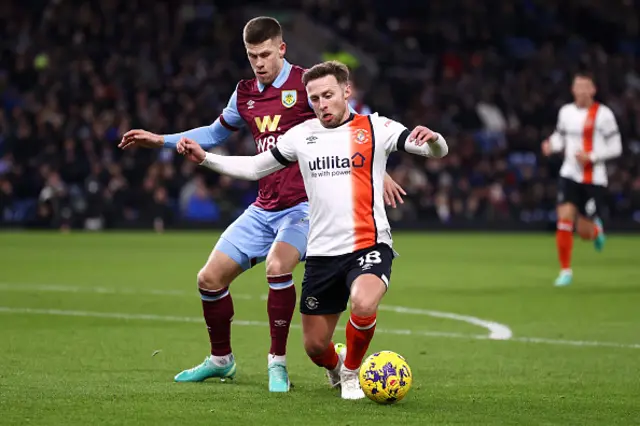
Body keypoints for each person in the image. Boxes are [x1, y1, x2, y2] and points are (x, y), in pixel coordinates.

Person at [117, 17, 406, 392]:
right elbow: (213, 133)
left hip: (303, 208)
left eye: (265, 54)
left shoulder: (307, 85)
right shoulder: (244, 94)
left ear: (281, 49)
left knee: (277, 266)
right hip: (263, 206)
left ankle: (278, 364)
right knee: (208, 278)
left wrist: (376, 170)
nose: (259, 62)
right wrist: (162, 140)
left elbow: (355, 123)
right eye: (252, 55)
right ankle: (222, 361)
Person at [177, 60, 448, 399]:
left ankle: (351, 372)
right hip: (322, 254)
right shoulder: (302, 137)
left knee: (363, 303)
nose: (322, 104)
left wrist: (434, 140)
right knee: (316, 347)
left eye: (329, 95)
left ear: (346, 92)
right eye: (315, 98)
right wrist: (206, 158)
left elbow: (431, 150)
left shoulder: (375, 127)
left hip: (368, 245)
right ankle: (335, 366)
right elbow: (253, 167)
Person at [541, 72, 622, 287]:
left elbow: (617, 147)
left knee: (584, 232)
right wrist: (551, 145)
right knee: (564, 218)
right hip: (569, 173)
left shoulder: (604, 115)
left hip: (593, 178)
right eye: (578, 86)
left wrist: (592, 156)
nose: (582, 90)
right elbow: (560, 137)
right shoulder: (566, 112)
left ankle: (596, 231)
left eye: (586, 86)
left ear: (593, 90)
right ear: (573, 89)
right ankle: (565, 270)